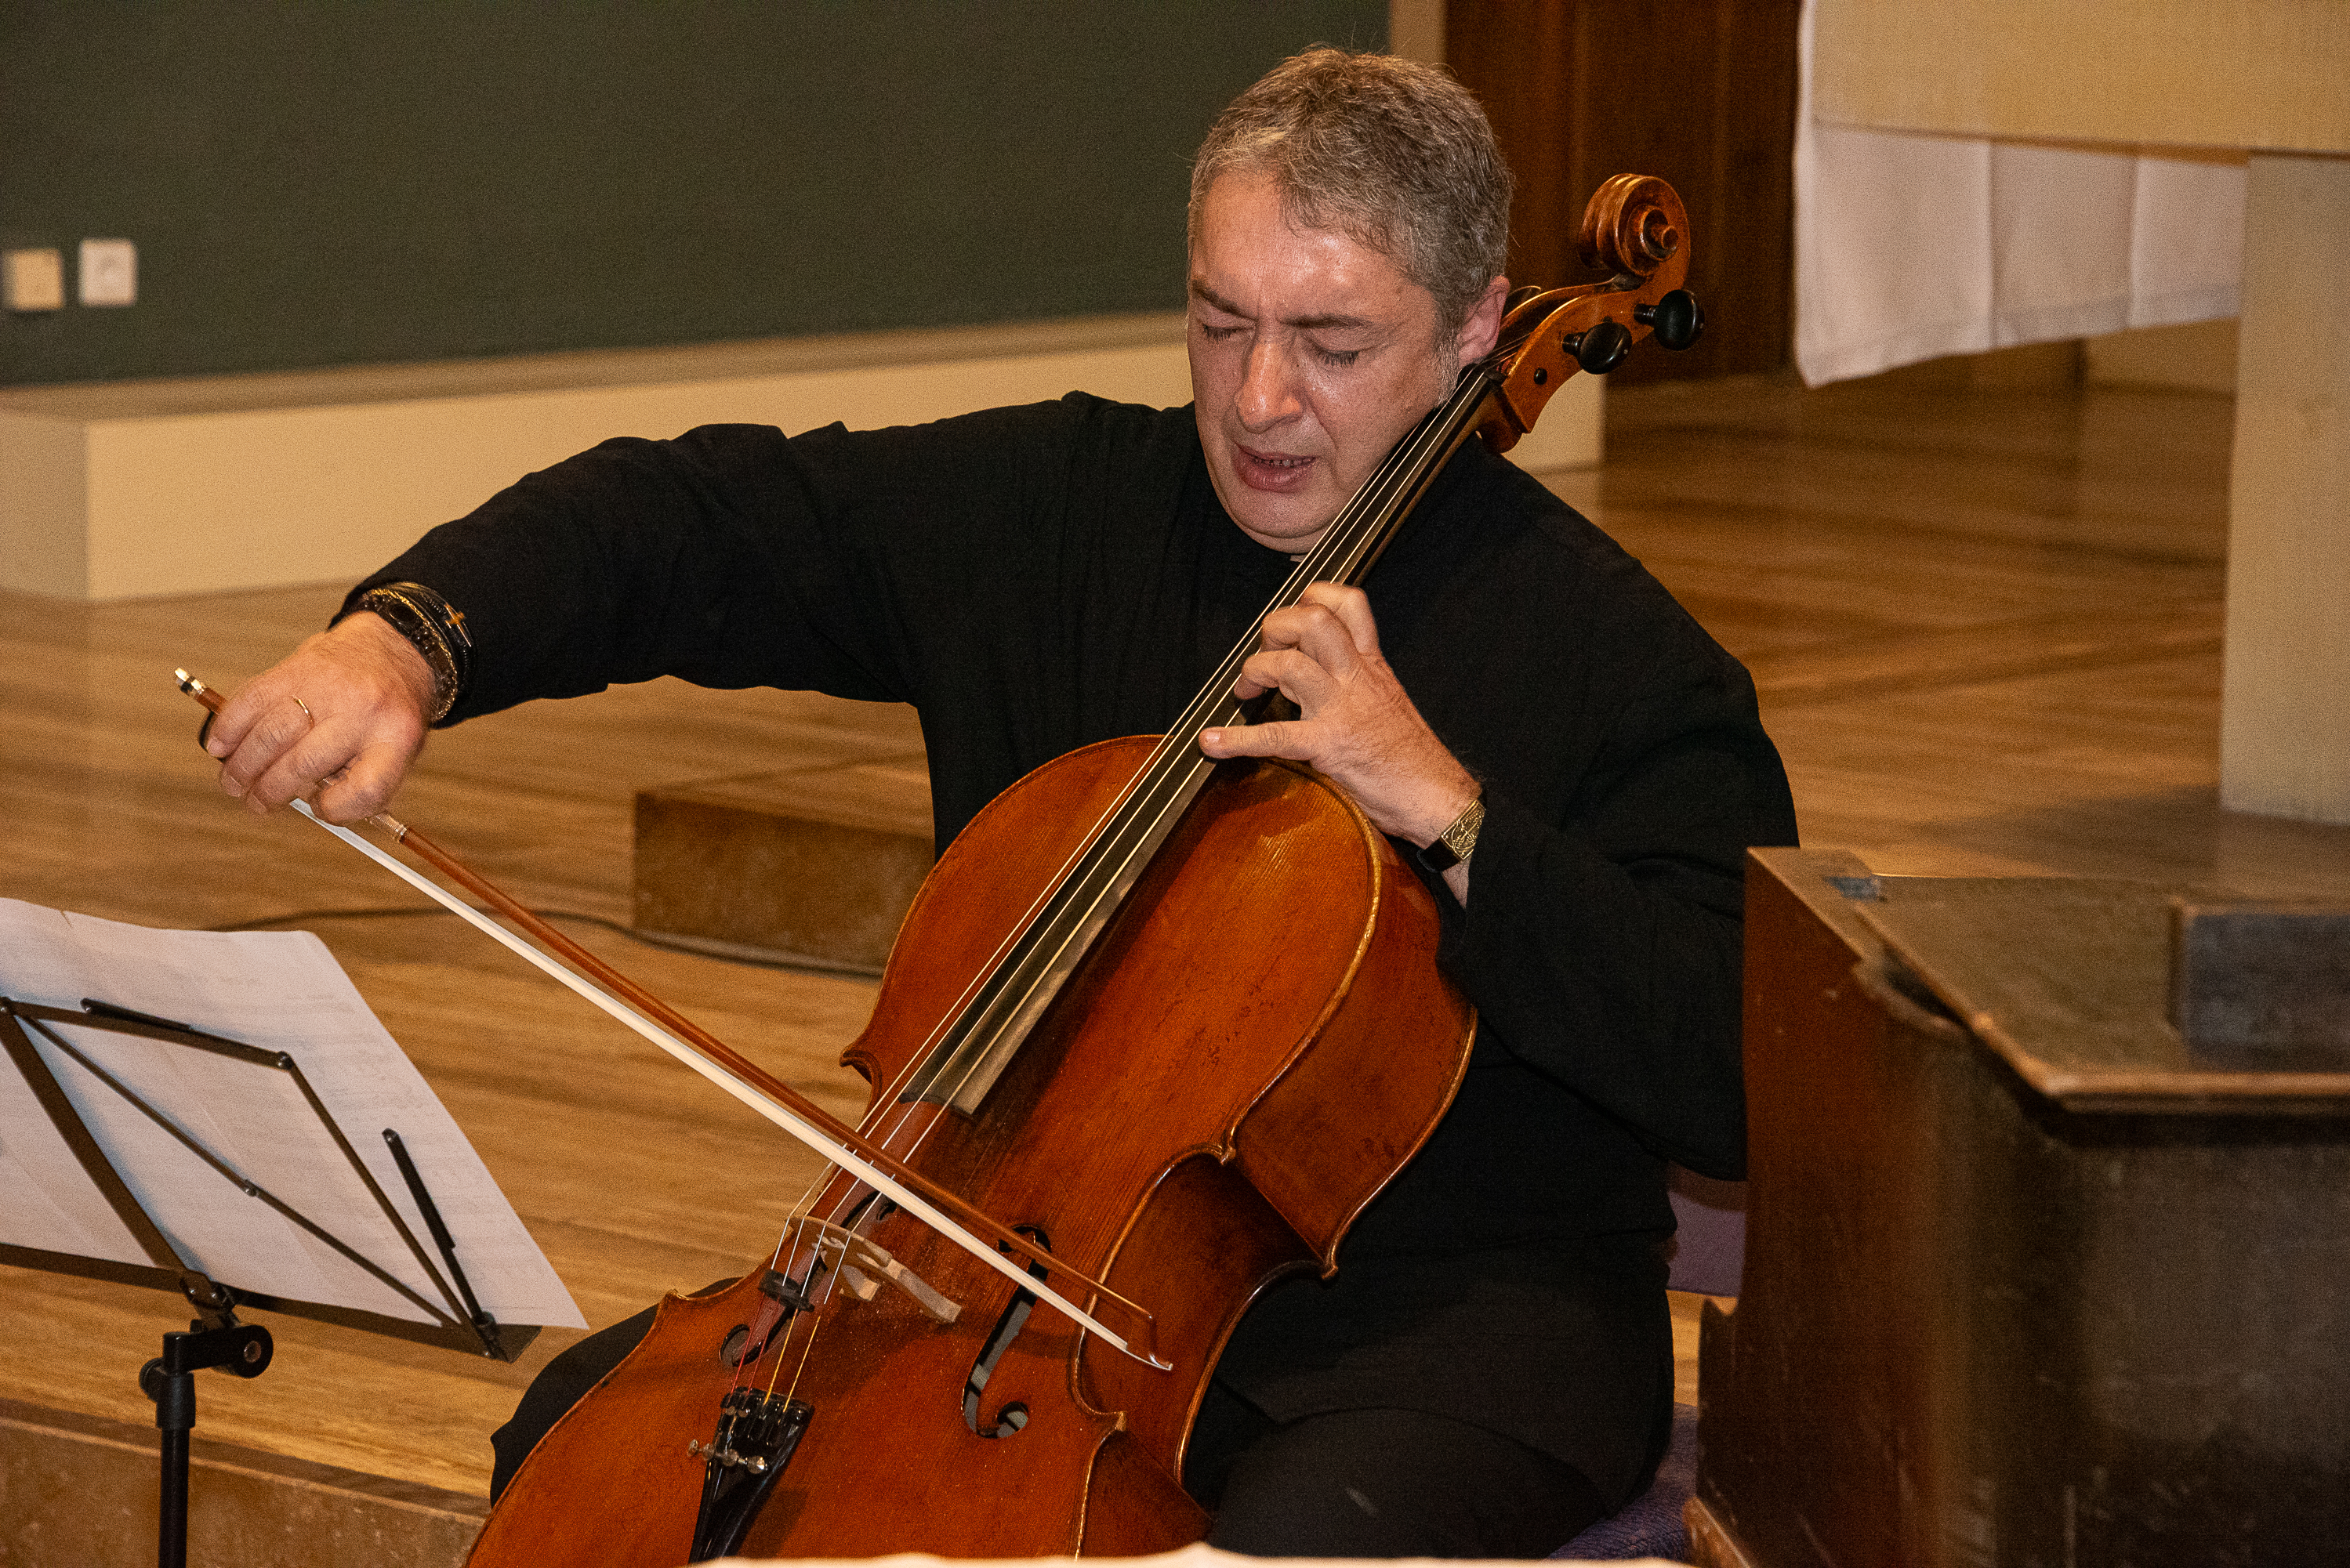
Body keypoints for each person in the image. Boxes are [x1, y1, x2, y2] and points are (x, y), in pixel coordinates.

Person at [205, 47, 1797, 1559]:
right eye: (1218, 321)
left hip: (1431, 1335)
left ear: (1474, 328)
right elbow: (693, 521)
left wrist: (1448, 810)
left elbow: (1734, 1070)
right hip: (994, 1290)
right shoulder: (1056, 513)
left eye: (1329, 344)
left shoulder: (1622, 662)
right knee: (581, 1432)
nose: (1257, 398)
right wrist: (408, 641)